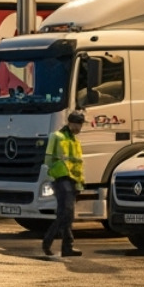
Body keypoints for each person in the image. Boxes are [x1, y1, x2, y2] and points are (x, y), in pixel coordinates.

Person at [41, 110, 86, 258]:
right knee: (65, 213)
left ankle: (66, 247)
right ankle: (49, 242)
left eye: (80, 125)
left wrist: (80, 183)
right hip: (61, 179)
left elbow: (78, 165)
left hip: (72, 180)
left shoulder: (76, 142)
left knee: (67, 215)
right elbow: (48, 159)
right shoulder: (56, 136)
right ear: (70, 123)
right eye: (77, 124)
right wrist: (54, 173)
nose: (79, 128)